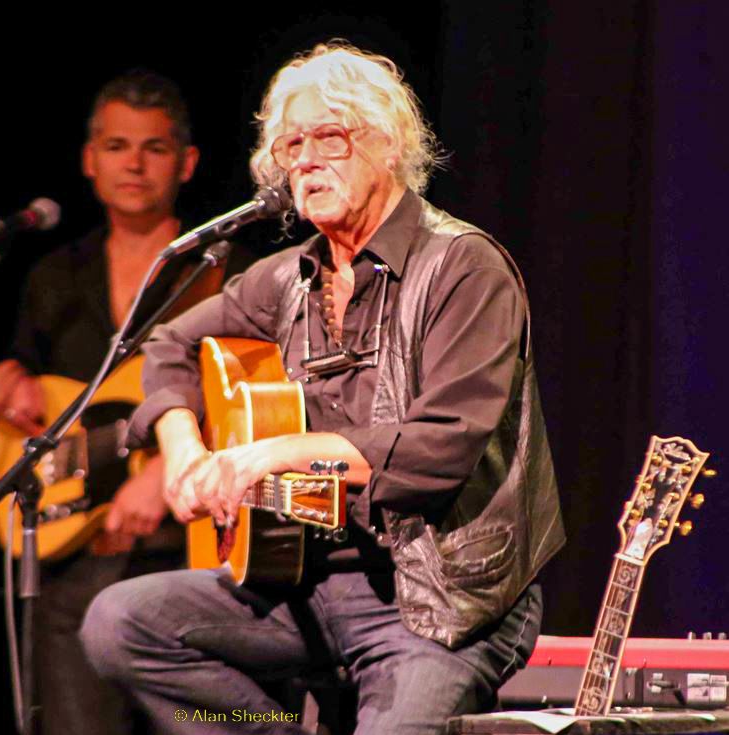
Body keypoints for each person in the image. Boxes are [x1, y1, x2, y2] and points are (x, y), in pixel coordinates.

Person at [80, 43, 566, 734]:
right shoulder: (286, 279)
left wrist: (270, 454)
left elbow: (438, 449)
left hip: (441, 604)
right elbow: (167, 344)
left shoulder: (463, 268)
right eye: (291, 144)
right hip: (301, 586)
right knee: (121, 625)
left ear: (388, 144)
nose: (306, 160)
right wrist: (184, 450)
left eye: (329, 137)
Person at [0, 71, 250, 735]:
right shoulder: (53, 276)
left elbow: (257, 397)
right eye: (116, 146)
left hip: (193, 557)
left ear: (187, 162)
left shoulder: (230, 271)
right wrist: (7, 381)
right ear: (89, 159)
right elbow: (24, 371)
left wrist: (170, 467)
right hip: (77, 562)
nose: (133, 164)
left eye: (154, 147)